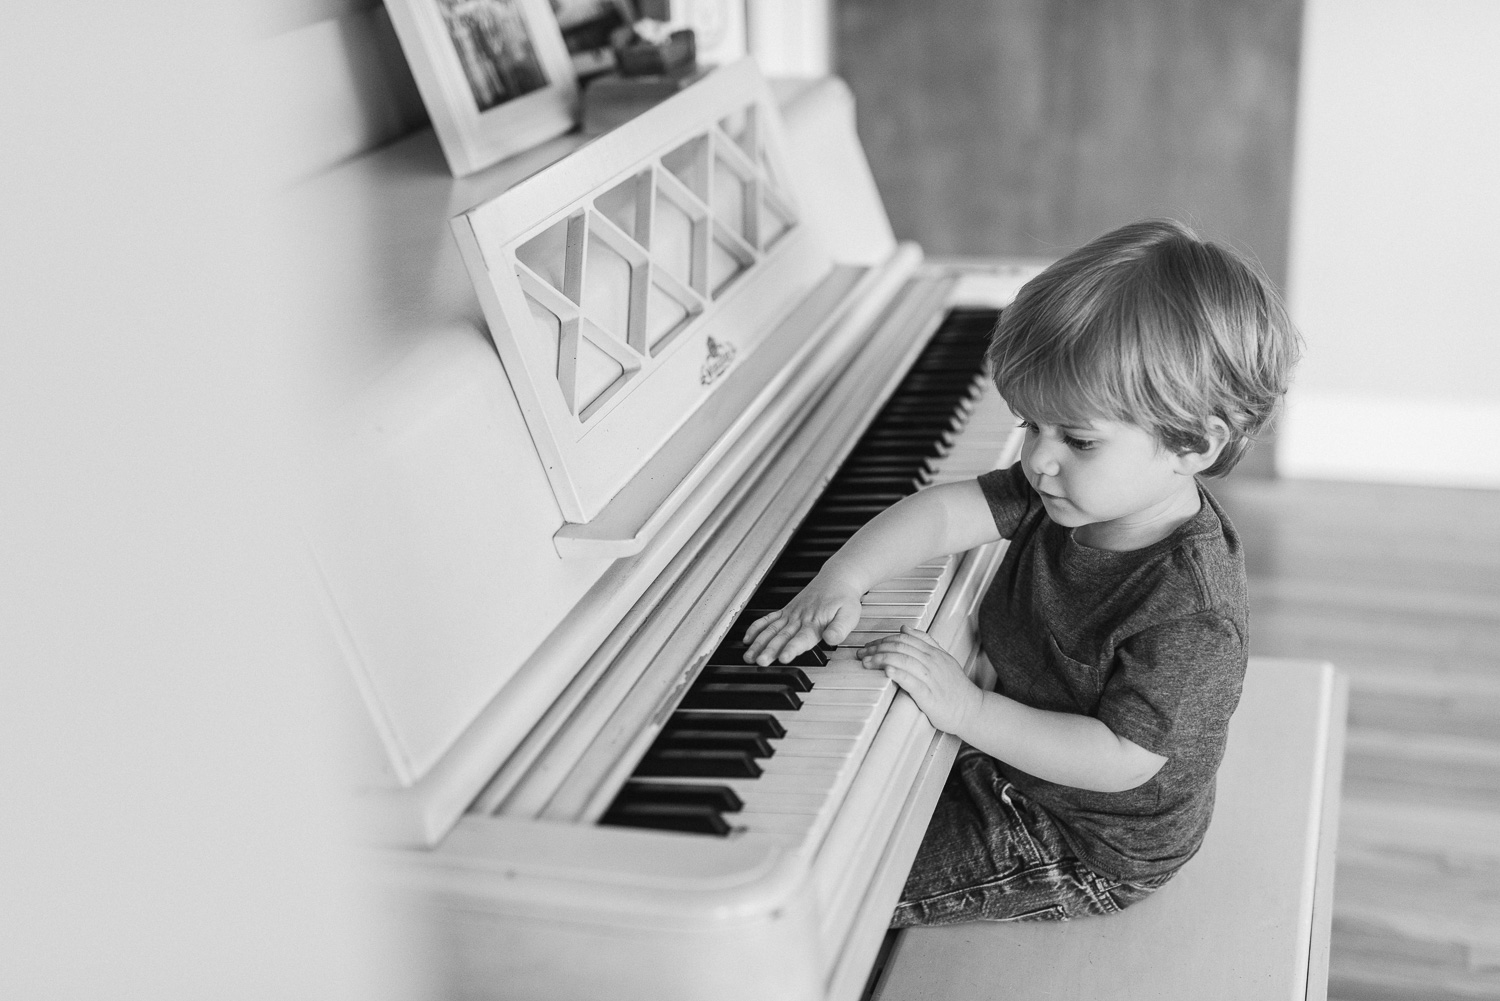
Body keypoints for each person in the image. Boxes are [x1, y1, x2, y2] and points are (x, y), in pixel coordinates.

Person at [741, 219, 1301, 925]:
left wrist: (970, 711)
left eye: (1078, 438)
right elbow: (946, 515)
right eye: (1032, 424)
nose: (1038, 458)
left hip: (1081, 837)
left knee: (827, 893)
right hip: (1016, 760)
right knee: (828, 808)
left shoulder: (1190, 607)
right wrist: (843, 577)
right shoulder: (1070, 490)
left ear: (1194, 443)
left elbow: (1122, 757)